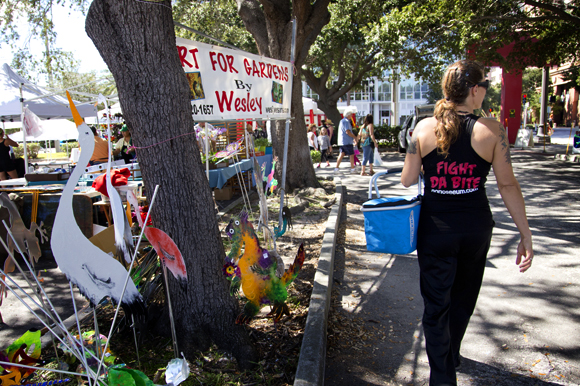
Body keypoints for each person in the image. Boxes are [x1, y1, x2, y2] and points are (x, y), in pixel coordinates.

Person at [401, 59, 534, 386]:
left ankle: (443, 376)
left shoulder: (423, 128)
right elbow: (507, 185)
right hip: (475, 229)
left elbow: (407, 180)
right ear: (474, 91)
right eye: (485, 87)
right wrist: (525, 233)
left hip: (436, 230)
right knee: (462, 299)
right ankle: (452, 353)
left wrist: (413, 146)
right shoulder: (492, 131)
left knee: (436, 307)